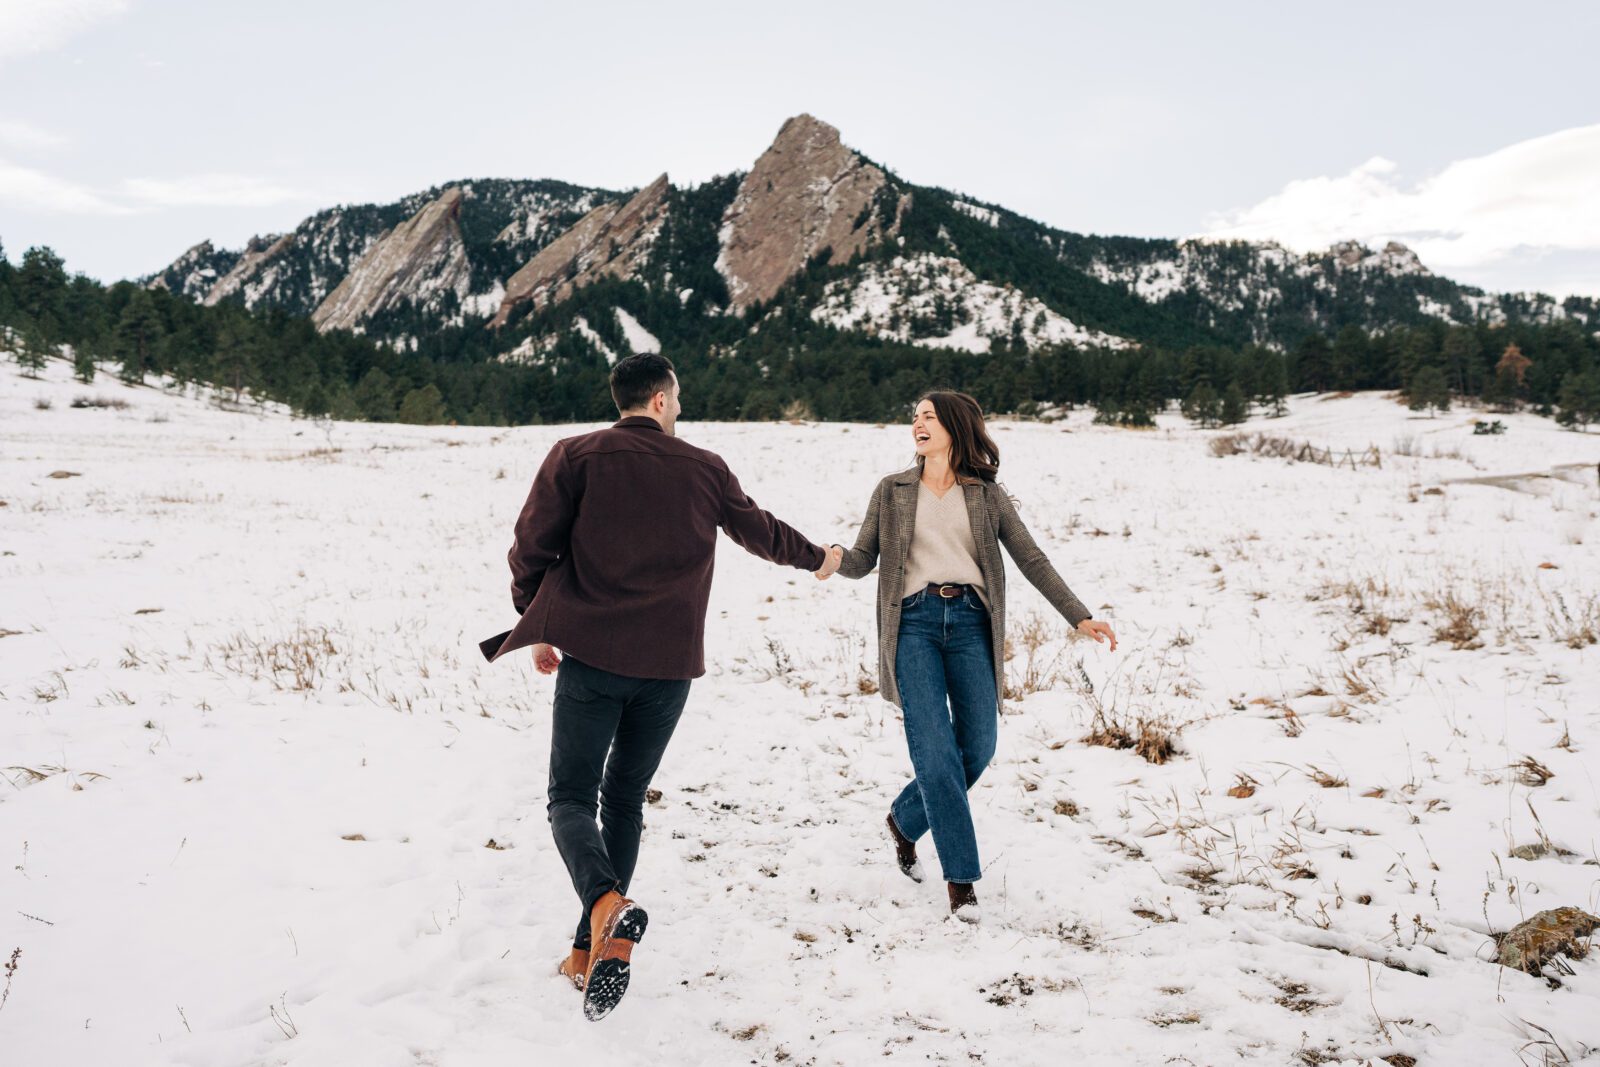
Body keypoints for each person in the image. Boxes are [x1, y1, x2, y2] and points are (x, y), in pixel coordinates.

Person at [478, 353, 843, 1020]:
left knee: (569, 796)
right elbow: (758, 530)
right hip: (670, 669)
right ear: (659, 399)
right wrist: (821, 558)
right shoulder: (703, 467)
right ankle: (593, 950)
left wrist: (537, 622)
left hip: (593, 659)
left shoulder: (575, 455)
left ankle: (606, 906)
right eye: (676, 397)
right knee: (623, 797)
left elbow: (530, 547)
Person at [830, 391, 1117, 922]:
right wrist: (832, 559)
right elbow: (865, 556)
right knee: (936, 754)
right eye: (913, 415)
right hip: (912, 625)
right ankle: (962, 885)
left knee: (977, 748)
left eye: (929, 416)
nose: (917, 423)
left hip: (969, 625)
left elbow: (1030, 556)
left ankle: (904, 819)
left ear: (955, 428)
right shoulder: (891, 491)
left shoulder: (985, 495)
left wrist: (1077, 614)